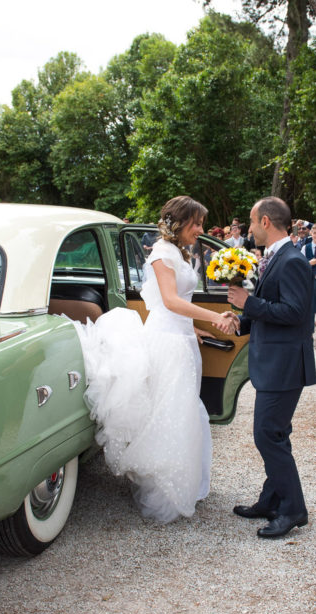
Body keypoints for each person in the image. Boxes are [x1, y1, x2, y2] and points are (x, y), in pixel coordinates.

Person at [75, 196, 237, 523]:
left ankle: (189, 482)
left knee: (186, 409)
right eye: (197, 224)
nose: (201, 230)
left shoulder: (178, 252)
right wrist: (213, 318)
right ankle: (167, 490)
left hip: (181, 338)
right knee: (173, 412)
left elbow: (171, 306)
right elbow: (170, 300)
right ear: (179, 223)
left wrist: (194, 328)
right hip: (167, 342)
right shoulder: (163, 254)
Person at [227, 196, 316, 538]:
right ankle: (272, 498)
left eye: (251, 222)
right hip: (274, 361)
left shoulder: (292, 260)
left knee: (267, 435)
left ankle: (293, 510)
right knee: (276, 434)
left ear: (265, 221)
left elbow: (295, 313)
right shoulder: (277, 256)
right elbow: (272, 309)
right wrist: (241, 320)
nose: (248, 229)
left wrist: (249, 302)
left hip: (284, 364)